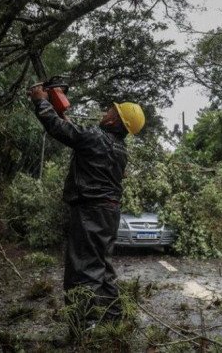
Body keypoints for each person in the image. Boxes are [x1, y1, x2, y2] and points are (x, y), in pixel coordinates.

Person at [28, 85, 145, 324]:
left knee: (81, 271)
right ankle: (113, 322)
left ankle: (83, 330)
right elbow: (75, 133)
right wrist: (59, 106)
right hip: (109, 212)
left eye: (110, 111)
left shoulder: (95, 137)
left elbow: (59, 129)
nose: (105, 112)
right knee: (102, 267)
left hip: (90, 211)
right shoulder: (121, 149)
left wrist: (41, 101)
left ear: (115, 121)